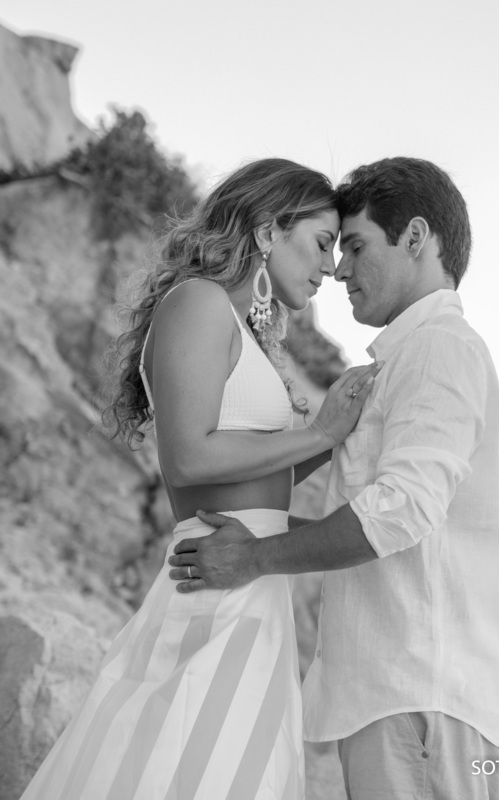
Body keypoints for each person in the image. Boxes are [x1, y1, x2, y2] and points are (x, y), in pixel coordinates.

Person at [169, 157, 499, 800]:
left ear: (416, 238)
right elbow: (406, 523)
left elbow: (399, 511)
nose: (339, 269)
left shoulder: (438, 348)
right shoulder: (409, 357)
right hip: (406, 693)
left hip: (423, 695)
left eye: (356, 246)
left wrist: (256, 556)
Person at [19, 158, 380, 800]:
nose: (330, 267)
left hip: (253, 592)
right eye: (323, 243)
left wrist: (346, 432)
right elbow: (188, 458)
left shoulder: (243, 328)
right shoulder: (197, 301)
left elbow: (263, 479)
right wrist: (321, 433)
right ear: (269, 231)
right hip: (214, 587)